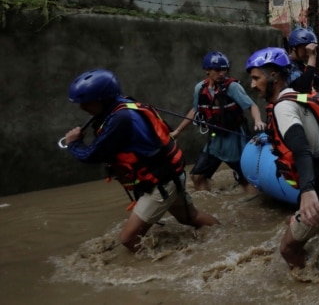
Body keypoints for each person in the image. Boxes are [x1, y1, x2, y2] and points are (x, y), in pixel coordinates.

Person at [62, 69, 219, 253]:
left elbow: (91, 155)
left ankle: (164, 271)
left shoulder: (120, 119)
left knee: (128, 239)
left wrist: (74, 144)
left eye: (86, 103)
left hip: (161, 183)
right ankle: (223, 236)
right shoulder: (124, 106)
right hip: (169, 175)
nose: (83, 108)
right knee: (190, 218)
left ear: (103, 99)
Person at [246, 47, 319, 269]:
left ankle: (310, 290)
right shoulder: (294, 93)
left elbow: (301, 148)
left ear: (273, 75)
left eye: (255, 78)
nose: (252, 84)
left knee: (288, 249)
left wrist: (308, 191)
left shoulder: (283, 108)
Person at [170, 51, 265, 192]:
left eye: (224, 70)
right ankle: (209, 202)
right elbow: (195, 110)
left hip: (235, 142)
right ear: (207, 70)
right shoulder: (200, 89)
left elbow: (252, 106)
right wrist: (177, 131)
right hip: (215, 142)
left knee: (246, 180)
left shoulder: (233, 87)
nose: (221, 73)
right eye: (217, 70)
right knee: (197, 176)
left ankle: (251, 204)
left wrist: (258, 120)